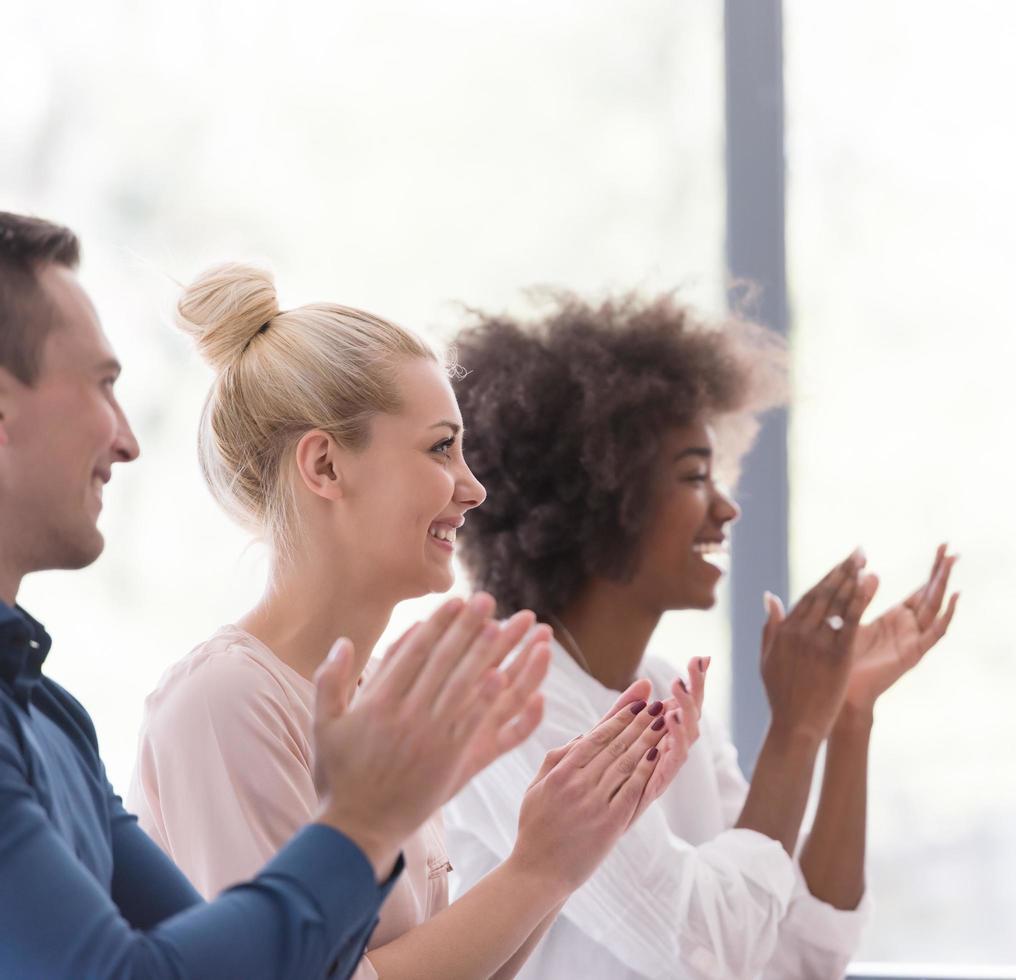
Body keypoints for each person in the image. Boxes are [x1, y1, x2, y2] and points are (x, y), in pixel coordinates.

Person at [0, 212, 544, 978]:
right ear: (323, 466)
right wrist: (373, 821)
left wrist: (539, 858)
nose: (128, 439)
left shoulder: (49, 715)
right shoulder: (215, 698)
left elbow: (243, 959)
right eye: (101, 385)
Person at [125, 264, 699, 980]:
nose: (473, 486)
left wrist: (571, 850)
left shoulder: (371, 704)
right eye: (439, 447)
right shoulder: (225, 703)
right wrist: (536, 868)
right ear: (326, 466)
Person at [441, 292, 959, 979]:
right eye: (693, 475)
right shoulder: (511, 698)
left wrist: (847, 715)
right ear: (597, 498)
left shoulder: (657, 686)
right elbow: (695, 951)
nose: (726, 507)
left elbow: (802, 955)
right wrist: (793, 731)